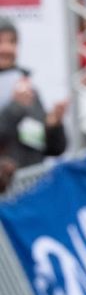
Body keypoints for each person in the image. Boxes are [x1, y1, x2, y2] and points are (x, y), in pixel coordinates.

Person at [0, 16, 68, 184]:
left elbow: (52, 149)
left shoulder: (26, 86)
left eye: (12, 42)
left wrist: (53, 125)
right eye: (0, 41)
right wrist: (14, 108)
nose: (7, 48)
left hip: (30, 190)